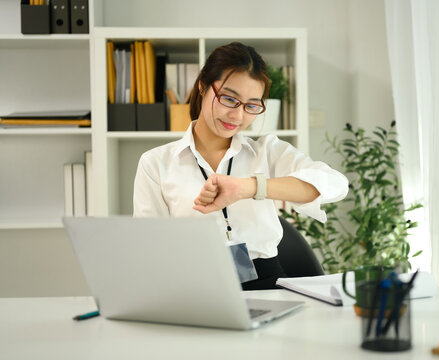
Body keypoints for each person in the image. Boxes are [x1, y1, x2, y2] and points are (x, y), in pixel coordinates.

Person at [133, 42, 348, 290]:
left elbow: (335, 184)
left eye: (252, 106)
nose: (237, 116)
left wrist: (249, 187)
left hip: (265, 282)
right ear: (203, 86)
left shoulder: (265, 152)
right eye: (229, 99)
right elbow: (150, 248)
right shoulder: (155, 163)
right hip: (192, 284)